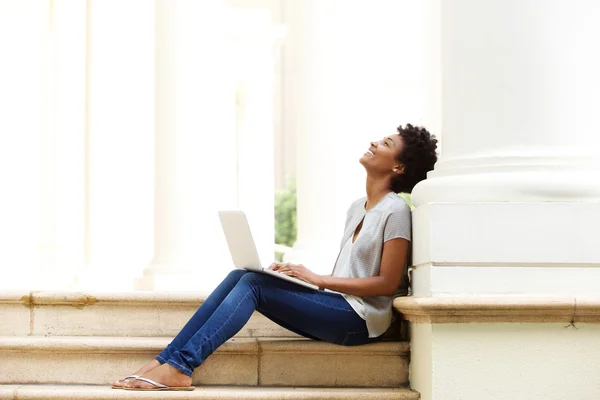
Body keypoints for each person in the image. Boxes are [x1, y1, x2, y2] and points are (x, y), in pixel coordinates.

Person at [113, 123, 438, 391]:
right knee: (241, 275)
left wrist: (317, 278)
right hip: (339, 305)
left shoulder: (396, 211)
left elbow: (387, 283)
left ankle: (180, 367)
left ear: (398, 166)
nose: (374, 142)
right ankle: (164, 361)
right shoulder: (358, 206)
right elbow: (355, 272)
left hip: (361, 322)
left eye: (385, 143)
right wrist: (298, 278)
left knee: (254, 284)